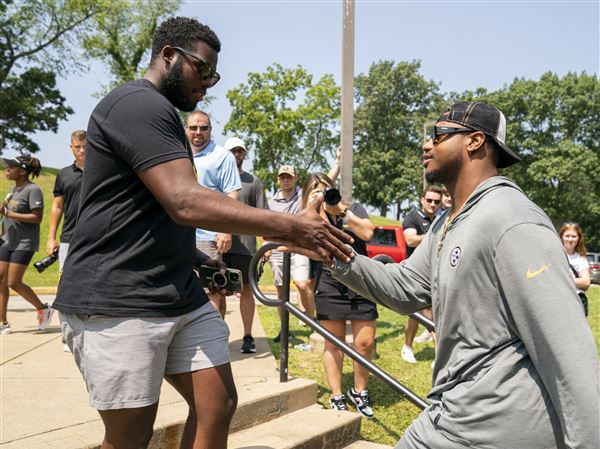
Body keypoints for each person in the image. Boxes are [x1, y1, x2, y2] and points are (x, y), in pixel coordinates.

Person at [51, 17, 352, 449]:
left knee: (217, 403)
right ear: (169, 56)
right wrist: (291, 225)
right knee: (129, 437)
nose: (209, 83)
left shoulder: (164, 117)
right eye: (203, 69)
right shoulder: (136, 105)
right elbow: (183, 200)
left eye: (215, 74)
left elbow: (154, 210)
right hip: (118, 297)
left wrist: (196, 259)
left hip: (176, 293)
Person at [317, 101, 599, 449]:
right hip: (449, 413)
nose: (426, 144)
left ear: (475, 141)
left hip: (494, 427)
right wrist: (328, 247)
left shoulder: (512, 219)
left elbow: (568, 351)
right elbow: (405, 287)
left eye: (438, 135)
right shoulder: (447, 222)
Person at [302, 173, 377, 418]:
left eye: (326, 191)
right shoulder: (313, 218)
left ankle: (359, 391)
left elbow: (367, 234)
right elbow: (312, 250)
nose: (324, 196)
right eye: (317, 192)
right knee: (333, 344)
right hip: (330, 284)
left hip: (361, 281)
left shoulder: (352, 208)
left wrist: (341, 210)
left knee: (364, 343)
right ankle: (336, 395)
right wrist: (316, 210)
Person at [186, 110, 241, 318]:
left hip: (207, 237)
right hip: (181, 235)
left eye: (203, 128)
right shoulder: (180, 154)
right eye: (193, 128)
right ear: (186, 129)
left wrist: (225, 230)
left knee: (211, 293)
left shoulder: (222, 156)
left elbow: (231, 195)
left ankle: (214, 345)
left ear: (210, 130)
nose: (198, 132)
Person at [223, 136, 269, 353]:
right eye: (233, 151)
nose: (236, 155)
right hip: (219, 245)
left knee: (247, 290)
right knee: (217, 291)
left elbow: (263, 215)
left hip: (246, 247)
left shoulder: (254, 182)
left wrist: (266, 244)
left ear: (244, 154)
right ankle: (218, 336)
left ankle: (248, 335)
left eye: (240, 151)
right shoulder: (216, 177)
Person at [1, 155, 53, 334]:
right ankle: (3, 323)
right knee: (0, 279)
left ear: (22, 171)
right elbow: (5, 218)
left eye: (11, 167)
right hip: (7, 241)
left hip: (24, 242)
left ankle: (43, 308)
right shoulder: (12, 191)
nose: (7, 169)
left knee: (13, 282)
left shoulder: (33, 190)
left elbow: (36, 218)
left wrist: (7, 213)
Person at [267, 165, 315, 341]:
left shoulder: (302, 197)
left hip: (298, 248)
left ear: (296, 178)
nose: (285, 180)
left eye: (289, 177)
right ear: (278, 179)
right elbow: (266, 227)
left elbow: (322, 181)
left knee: (302, 284)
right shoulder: (271, 203)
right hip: (278, 250)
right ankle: (284, 329)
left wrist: (339, 164)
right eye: (282, 177)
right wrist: (265, 247)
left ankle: (312, 322)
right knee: (281, 291)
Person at [400, 185, 441, 363]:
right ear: (422, 200)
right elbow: (410, 240)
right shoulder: (412, 218)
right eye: (429, 200)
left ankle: (438, 357)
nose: (432, 204)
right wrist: (434, 235)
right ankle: (407, 347)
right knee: (415, 314)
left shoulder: (440, 219)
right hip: (415, 273)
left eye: (436, 202)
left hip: (437, 272)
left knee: (435, 312)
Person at [46, 130, 86, 271]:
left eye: (86, 146)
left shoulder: (102, 172)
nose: (81, 150)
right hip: (69, 237)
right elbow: (57, 206)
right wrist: (51, 238)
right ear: (71, 147)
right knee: (65, 282)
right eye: (77, 147)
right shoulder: (63, 174)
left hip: (97, 236)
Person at [559, 222, 591, 316]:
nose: (570, 239)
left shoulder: (581, 259)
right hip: (559, 299)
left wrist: (562, 279)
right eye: (567, 236)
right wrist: (575, 281)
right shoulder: (554, 255)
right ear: (561, 237)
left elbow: (585, 282)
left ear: (579, 238)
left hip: (577, 300)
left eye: (574, 236)